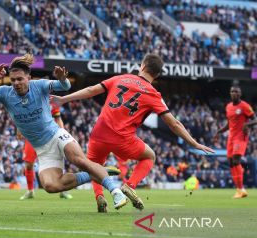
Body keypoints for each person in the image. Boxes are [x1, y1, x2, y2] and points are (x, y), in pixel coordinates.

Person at [51, 53, 214, 212]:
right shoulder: (153, 94)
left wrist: (64, 99)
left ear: (142, 66)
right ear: (156, 75)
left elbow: (91, 90)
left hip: (99, 133)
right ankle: (129, 186)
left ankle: (99, 196)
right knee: (150, 156)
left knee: (94, 167)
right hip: (122, 139)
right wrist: (193, 143)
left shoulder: (120, 78)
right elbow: (174, 123)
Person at [0, 53, 129, 209]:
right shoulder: (4, 92)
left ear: (29, 78)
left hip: (56, 135)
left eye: (20, 79)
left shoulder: (39, 85)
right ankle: (98, 172)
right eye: (13, 80)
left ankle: (115, 192)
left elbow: (65, 86)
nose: (16, 83)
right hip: (42, 149)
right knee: (50, 186)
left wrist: (62, 78)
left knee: (78, 160)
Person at [19, 100, 73, 200]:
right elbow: (21, 117)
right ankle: (30, 191)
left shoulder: (52, 101)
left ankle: (62, 190)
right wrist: (19, 129)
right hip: (32, 137)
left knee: (56, 163)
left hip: (49, 137)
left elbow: (58, 118)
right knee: (28, 164)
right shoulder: (29, 100)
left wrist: (62, 133)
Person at [214, 86, 256, 199]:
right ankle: (239, 189)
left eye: (236, 91)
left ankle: (241, 188)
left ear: (240, 93)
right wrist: (219, 131)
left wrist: (247, 124)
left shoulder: (244, 106)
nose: (234, 93)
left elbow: (255, 119)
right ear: (230, 93)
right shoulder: (228, 107)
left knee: (236, 160)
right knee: (231, 163)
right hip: (231, 138)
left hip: (241, 136)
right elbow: (229, 124)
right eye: (232, 91)